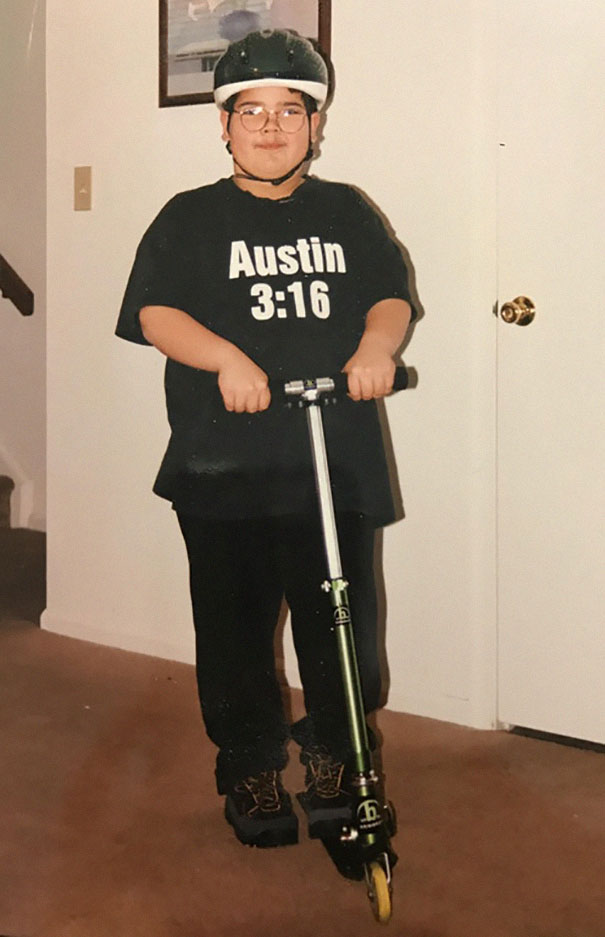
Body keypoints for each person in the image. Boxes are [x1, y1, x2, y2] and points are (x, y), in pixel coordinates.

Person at [116, 29, 414, 849]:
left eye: (291, 110)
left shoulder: (346, 210)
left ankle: (336, 758)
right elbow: (155, 312)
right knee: (234, 627)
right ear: (223, 125)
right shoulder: (190, 216)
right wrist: (225, 358)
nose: (272, 127)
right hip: (225, 462)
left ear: (316, 124)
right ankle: (249, 763)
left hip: (332, 459)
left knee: (341, 623)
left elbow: (388, 294)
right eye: (252, 111)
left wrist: (375, 348)